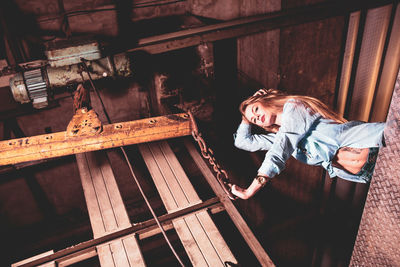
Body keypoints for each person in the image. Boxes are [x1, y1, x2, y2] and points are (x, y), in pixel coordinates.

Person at [230, 88, 385, 200]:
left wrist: (250, 191)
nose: (257, 117)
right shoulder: (278, 136)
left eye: (256, 109)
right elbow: (243, 142)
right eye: (254, 120)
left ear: (264, 100)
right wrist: (245, 118)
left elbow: (279, 151)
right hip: (368, 173)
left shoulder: (294, 107)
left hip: (376, 145)